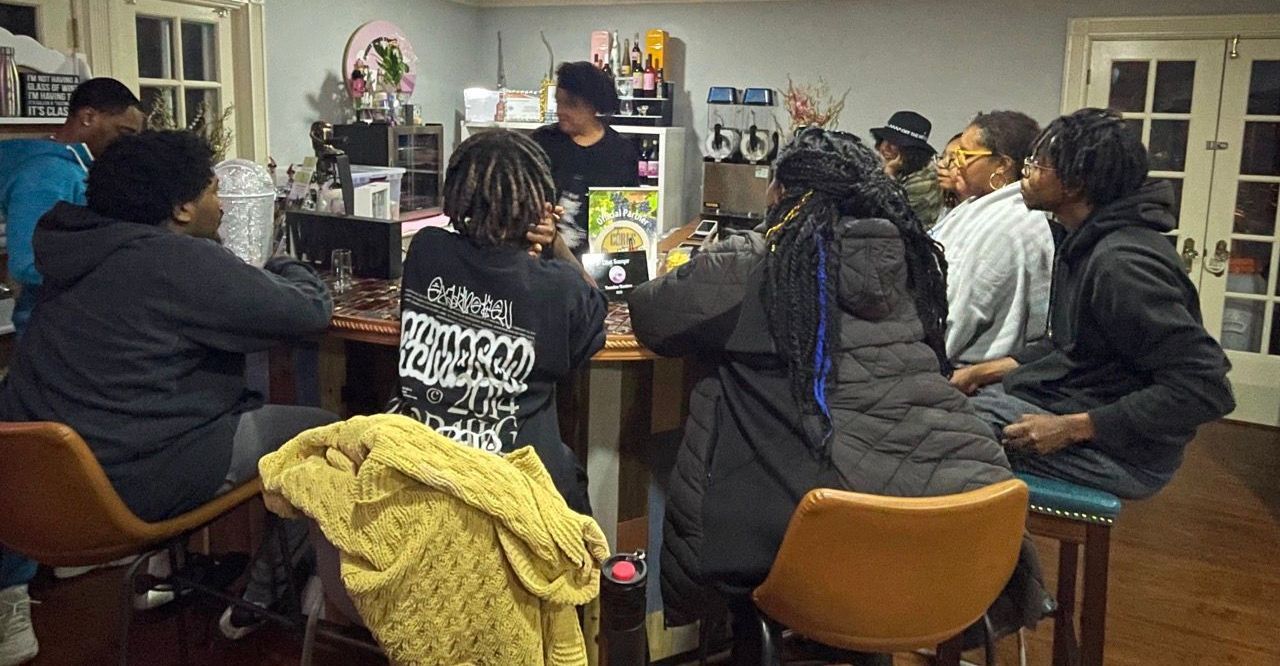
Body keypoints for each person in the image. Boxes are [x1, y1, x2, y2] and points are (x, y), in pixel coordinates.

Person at [629, 127, 1048, 664]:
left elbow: (651, 318)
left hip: (813, 554)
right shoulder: (912, 263)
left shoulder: (752, 265)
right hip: (959, 549)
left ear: (780, 193)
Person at [0, 131, 340, 649]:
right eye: (211, 190)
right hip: (127, 487)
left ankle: (172, 569)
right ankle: (268, 594)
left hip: (37, 495)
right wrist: (277, 258)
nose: (221, 203)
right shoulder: (176, 261)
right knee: (326, 436)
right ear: (182, 208)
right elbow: (309, 311)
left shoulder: (71, 248)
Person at [957, 108, 1235, 499]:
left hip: (1127, 455)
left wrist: (1071, 428)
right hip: (1085, 403)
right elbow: (1071, 346)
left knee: (938, 435)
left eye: (1038, 164)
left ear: (1074, 183)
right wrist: (978, 373)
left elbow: (1205, 388)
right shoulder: (1087, 240)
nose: (1027, 172)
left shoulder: (1121, 264)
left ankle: (981, 557)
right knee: (944, 406)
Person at [389, 129, 606, 515]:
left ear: (459, 192)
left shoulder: (426, 250)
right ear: (539, 203)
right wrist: (554, 244)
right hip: (519, 487)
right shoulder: (556, 285)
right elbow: (595, 307)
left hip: (421, 469)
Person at [0, 78, 145, 337]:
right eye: (123, 133)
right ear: (88, 116)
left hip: (71, 321)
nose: (127, 145)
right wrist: (111, 272)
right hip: (51, 329)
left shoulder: (75, 166)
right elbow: (27, 262)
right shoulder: (46, 173)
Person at [929, 111, 1056, 365]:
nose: (957, 164)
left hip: (970, 371)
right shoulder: (980, 207)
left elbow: (964, 311)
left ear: (1002, 165)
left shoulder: (1007, 224)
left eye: (965, 155)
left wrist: (924, 361)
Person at [532, 61, 639, 246]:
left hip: (599, 261)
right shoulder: (541, 142)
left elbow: (628, 217)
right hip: (543, 261)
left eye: (570, 104)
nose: (560, 111)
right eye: (558, 102)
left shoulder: (621, 151)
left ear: (593, 105)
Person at [871, 110, 943, 228]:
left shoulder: (923, 181)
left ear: (912, 151)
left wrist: (888, 173)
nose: (885, 147)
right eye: (885, 139)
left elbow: (885, 215)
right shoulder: (900, 171)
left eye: (895, 142)